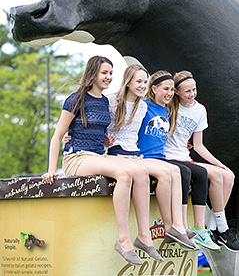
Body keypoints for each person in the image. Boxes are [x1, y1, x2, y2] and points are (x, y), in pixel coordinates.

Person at [42, 55, 163, 266]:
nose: (108, 77)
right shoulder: (75, 99)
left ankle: (144, 236)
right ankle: (123, 240)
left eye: (110, 73)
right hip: (77, 157)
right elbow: (57, 136)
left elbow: (96, 128)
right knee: (124, 174)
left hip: (98, 155)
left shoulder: (105, 101)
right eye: (104, 73)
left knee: (141, 172)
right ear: (93, 74)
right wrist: (51, 169)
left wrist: (105, 139)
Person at [106, 65, 195, 250]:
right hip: (134, 156)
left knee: (177, 172)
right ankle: (168, 225)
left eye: (144, 82)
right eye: (139, 81)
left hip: (138, 155)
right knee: (165, 173)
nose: (142, 85)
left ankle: (177, 225)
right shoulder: (136, 105)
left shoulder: (143, 108)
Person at [137, 70, 220, 252]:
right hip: (148, 158)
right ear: (153, 89)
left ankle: (199, 229)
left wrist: (188, 144)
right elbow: (127, 122)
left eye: (171, 89)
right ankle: (177, 225)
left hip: (161, 157)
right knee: (184, 172)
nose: (169, 93)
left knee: (201, 173)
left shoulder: (167, 110)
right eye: (165, 89)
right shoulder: (143, 106)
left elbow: (174, 130)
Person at [164, 70, 239, 252]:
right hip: (169, 158)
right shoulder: (169, 105)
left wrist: (218, 163)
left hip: (185, 157)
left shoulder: (199, 109)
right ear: (177, 92)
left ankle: (213, 228)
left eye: (194, 89)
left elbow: (198, 145)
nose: (192, 94)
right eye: (187, 91)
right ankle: (221, 229)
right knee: (217, 177)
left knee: (228, 175)